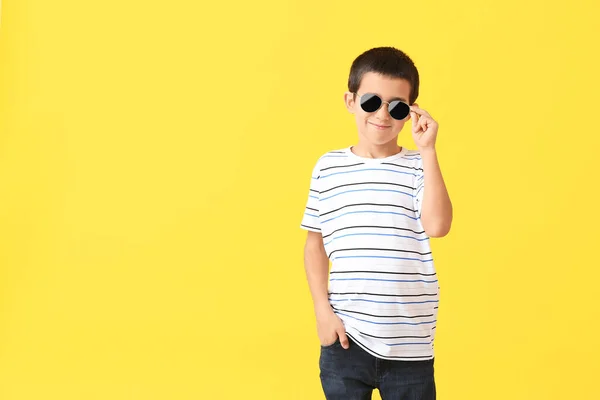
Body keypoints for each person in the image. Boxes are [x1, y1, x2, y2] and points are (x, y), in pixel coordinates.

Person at [300, 46, 453, 400]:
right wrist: (323, 313)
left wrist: (428, 151)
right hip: (345, 339)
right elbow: (315, 245)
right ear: (350, 101)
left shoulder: (419, 166)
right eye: (371, 101)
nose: (382, 114)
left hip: (409, 344)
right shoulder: (328, 167)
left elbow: (438, 226)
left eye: (396, 106)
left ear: (411, 112)